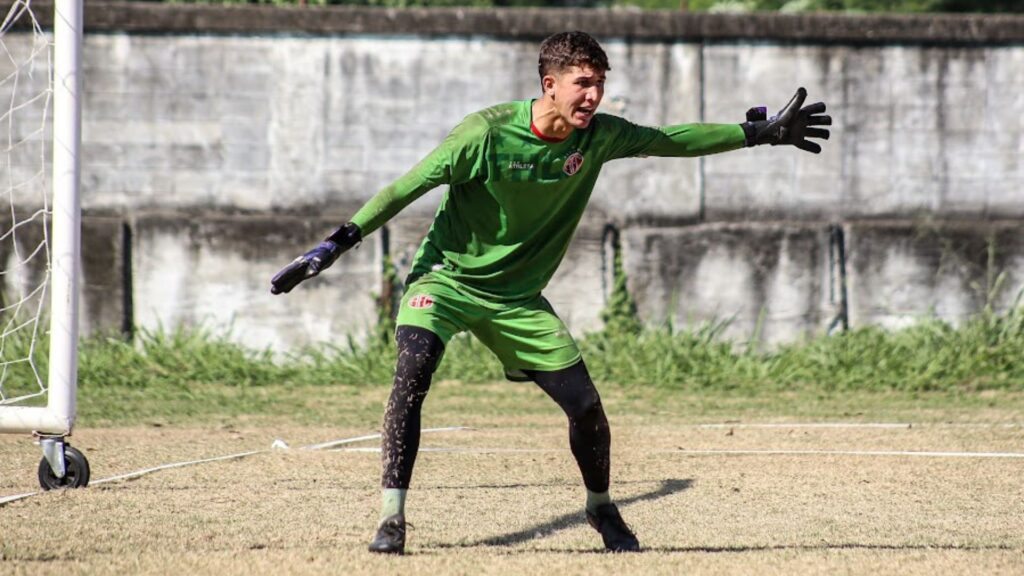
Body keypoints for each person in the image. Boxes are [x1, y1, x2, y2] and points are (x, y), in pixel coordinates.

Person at [271, 31, 830, 554]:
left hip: (517, 299)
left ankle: (601, 508)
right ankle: (392, 516)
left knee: (585, 408)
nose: (593, 95)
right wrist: (334, 244)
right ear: (550, 85)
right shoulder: (485, 133)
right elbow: (405, 187)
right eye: (583, 83)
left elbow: (669, 140)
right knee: (412, 373)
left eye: (599, 83)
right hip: (445, 280)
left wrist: (756, 133)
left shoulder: (599, 136)